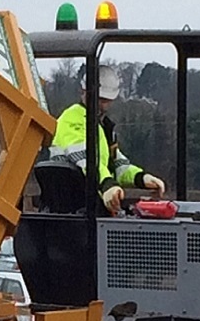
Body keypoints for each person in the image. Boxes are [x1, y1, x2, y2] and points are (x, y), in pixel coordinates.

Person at [49, 65, 165, 214]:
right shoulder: (72, 119)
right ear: (83, 92)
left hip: (90, 206)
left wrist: (141, 178)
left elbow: (118, 164)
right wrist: (107, 184)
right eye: (97, 98)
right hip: (73, 207)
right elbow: (85, 159)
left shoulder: (104, 127)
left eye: (104, 100)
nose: (100, 104)